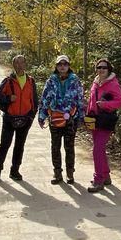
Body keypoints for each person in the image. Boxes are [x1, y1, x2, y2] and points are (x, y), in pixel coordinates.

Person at [0, 54, 38, 183]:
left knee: (19, 145)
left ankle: (15, 170)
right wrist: (8, 99)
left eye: (22, 62)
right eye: (17, 63)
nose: (19, 65)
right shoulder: (8, 81)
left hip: (25, 119)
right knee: (4, 145)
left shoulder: (31, 81)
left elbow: (35, 100)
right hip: (10, 119)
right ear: (13, 65)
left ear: (25, 64)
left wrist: (31, 116)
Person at [38, 55, 84, 184]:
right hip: (55, 118)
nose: (62, 66)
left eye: (65, 64)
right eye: (60, 64)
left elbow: (80, 99)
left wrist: (81, 116)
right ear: (56, 66)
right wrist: (42, 116)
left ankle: (70, 173)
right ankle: (57, 173)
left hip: (71, 119)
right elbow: (45, 98)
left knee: (69, 147)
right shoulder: (51, 80)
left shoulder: (75, 80)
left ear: (69, 66)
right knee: (55, 147)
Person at [86, 58, 121, 193]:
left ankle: (98, 180)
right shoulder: (96, 83)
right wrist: (87, 114)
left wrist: (106, 105)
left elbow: (120, 101)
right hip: (94, 120)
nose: (101, 70)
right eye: (99, 67)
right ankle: (106, 175)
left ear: (109, 70)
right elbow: (91, 100)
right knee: (99, 149)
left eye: (104, 67)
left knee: (97, 149)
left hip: (106, 120)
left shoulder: (113, 84)